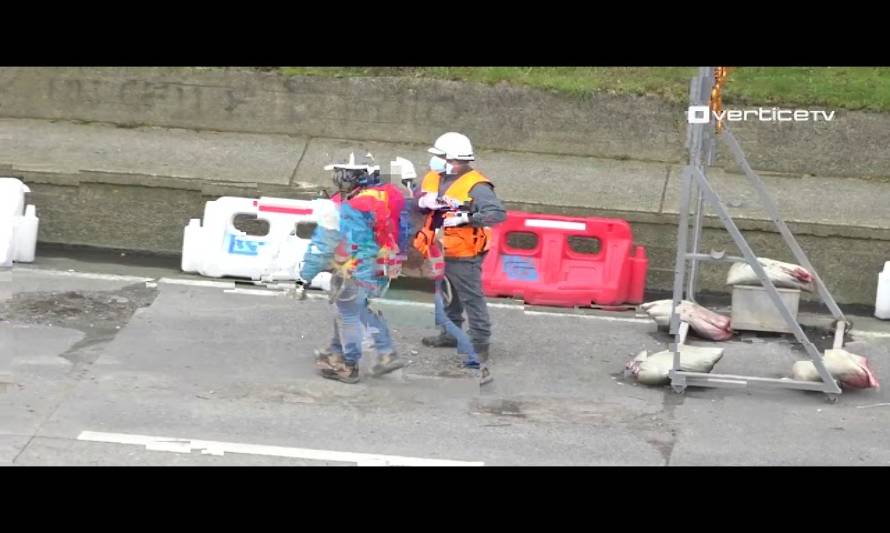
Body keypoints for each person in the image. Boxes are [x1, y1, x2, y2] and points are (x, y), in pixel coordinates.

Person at [299, 153, 409, 383]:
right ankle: (352, 353)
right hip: (382, 264)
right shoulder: (385, 196)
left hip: (355, 268)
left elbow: (326, 244)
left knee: (348, 315)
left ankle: (348, 366)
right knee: (360, 310)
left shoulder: (349, 207)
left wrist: (305, 276)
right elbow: (398, 227)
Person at [414, 132, 506, 385]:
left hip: (464, 253)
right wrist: (422, 201)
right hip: (437, 248)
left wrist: (466, 218)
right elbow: (417, 200)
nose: (434, 161)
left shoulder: (478, 186)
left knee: (471, 298)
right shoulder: (434, 177)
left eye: (439, 156)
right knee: (445, 293)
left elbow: (496, 214)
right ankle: (450, 333)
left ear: (453, 159)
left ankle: (479, 346)